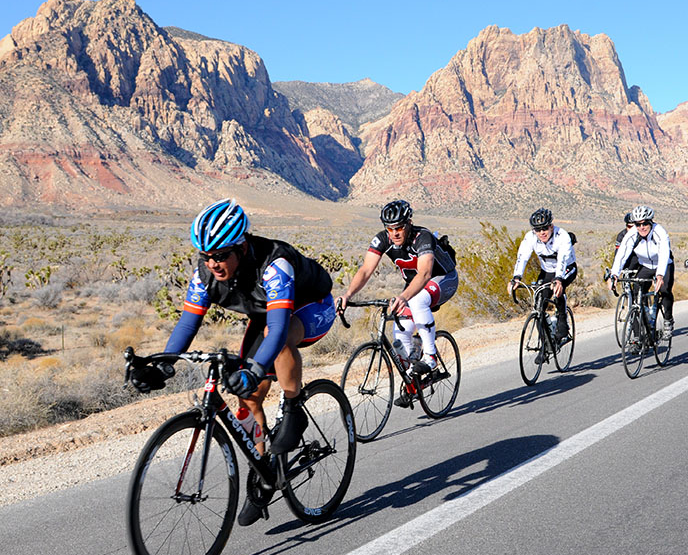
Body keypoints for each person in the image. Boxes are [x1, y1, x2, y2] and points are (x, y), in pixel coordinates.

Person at [130, 198, 336, 527]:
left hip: (311, 307)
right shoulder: (205, 274)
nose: (213, 263)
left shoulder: (274, 263)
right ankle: (265, 475)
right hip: (266, 315)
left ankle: (295, 407)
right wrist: (162, 367)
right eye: (207, 256)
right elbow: (187, 324)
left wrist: (255, 370)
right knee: (247, 400)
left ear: (240, 246)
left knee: (273, 342)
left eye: (221, 255)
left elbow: (280, 327)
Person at [336, 200, 459, 404]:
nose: (395, 233)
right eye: (390, 228)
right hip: (415, 286)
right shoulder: (383, 239)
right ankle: (414, 383)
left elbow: (425, 273)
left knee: (418, 300)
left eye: (399, 227)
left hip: (443, 279)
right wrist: (347, 295)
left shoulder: (423, 237)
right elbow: (366, 270)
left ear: (409, 223)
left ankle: (430, 358)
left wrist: (403, 297)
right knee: (400, 337)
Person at [507, 208, 577, 355]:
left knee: (558, 289)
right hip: (546, 271)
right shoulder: (530, 237)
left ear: (551, 226)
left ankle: (563, 322)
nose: (542, 232)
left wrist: (558, 279)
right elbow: (522, 257)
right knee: (539, 304)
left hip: (566, 268)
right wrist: (516, 278)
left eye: (545, 228)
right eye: (538, 229)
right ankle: (547, 343)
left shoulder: (562, 236)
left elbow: (563, 259)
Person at [607, 204, 675, 337]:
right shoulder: (632, 234)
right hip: (646, 266)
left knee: (664, 290)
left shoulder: (659, 232)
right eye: (638, 224)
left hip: (664, 264)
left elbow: (664, 254)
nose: (641, 227)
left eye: (644, 224)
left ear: (650, 222)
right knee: (637, 293)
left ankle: (668, 319)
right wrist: (614, 274)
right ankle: (647, 330)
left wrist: (660, 275)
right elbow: (622, 254)